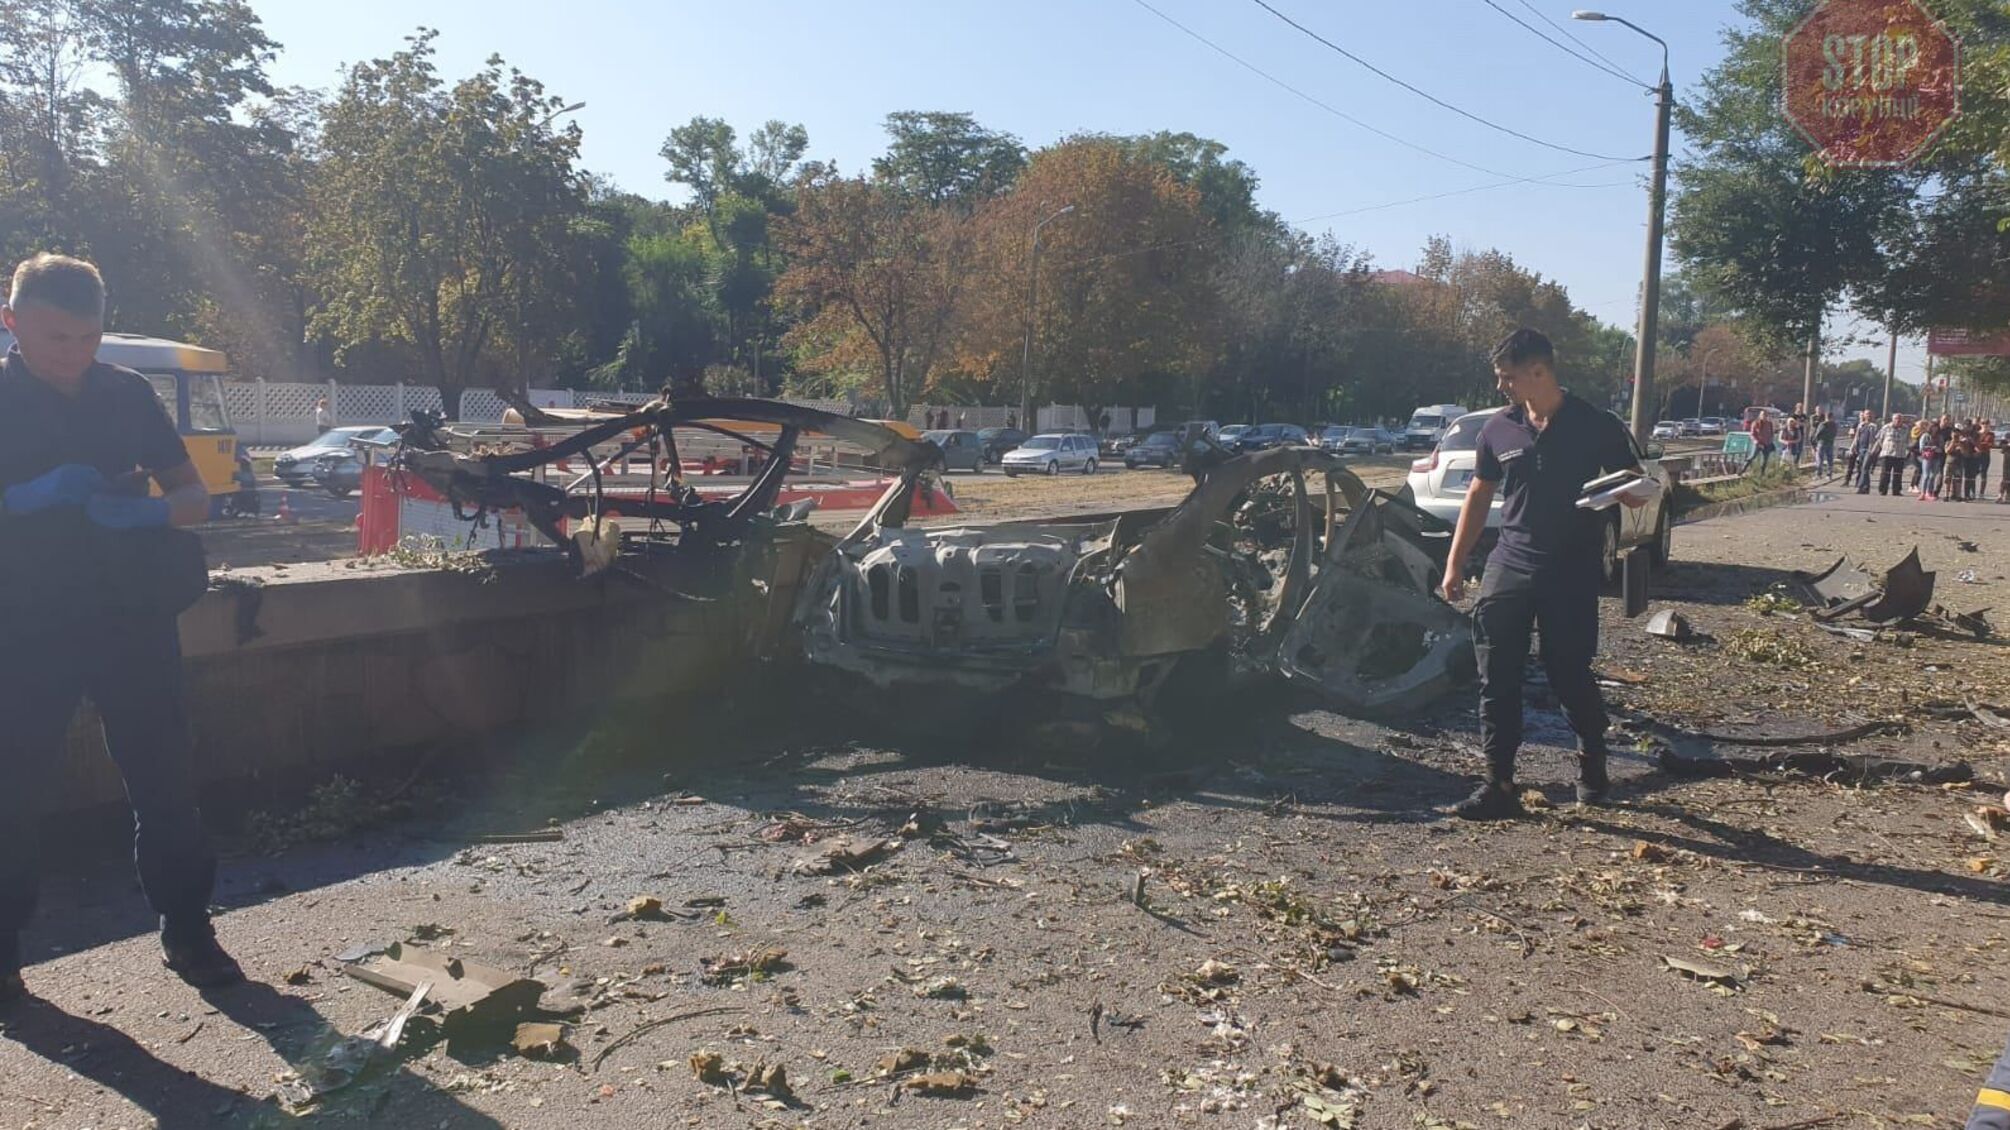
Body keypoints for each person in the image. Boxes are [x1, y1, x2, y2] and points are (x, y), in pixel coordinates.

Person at [0, 253, 244, 1007]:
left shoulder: (127, 392)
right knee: (11, 789)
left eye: (87, 338)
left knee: (164, 777)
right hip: (25, 624)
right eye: (54, 338)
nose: (73, 354)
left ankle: (187, 930)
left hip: (128, 616)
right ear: (12, 323)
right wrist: (24, 497)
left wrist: (146, 510)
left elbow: (194, 498)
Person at [1438, 328, 1646, 820]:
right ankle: (1498, 784)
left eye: (1508, 377)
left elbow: (1635, 484)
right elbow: (1479, 495)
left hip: (1570, 571)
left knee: (1568, 673)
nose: (1501, 387)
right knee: (1496, 678)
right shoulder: (1499, 429)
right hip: (1509, 564)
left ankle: (1592, 767)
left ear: (1539, 372)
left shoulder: (1596, 424)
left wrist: (1632, 493)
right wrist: (1454, 563)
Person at [1875, 413, 1910, 496]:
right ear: (1893, 419)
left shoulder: (1906, 428)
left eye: (1900, 419)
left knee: (1898, 474)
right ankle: (1883, 490)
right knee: (1885, 473)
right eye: (1896, 419)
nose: (1898, 420)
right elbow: (1879, 439)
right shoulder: (1886, 427)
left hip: (1900, 454)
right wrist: (1884, 446)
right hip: (1887, 454)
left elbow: (1908, 440)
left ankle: (1896, 491)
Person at [1848, 409, 1878, 491]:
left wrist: (1874, 450)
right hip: (1861, 449)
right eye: (1866, 414)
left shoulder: (1874, 426)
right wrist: (1852, 448)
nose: (1868, 415)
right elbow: (1856, 438)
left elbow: (1877, 439)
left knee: (1865, 467)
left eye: (1869, 414)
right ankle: (1866, 487)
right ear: (1864, 415)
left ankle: (1861, 487)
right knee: (1861, 469)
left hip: (1869, 450)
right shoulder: (1860, 425)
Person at [1813, 411, 1837, 478]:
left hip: (1822, 442)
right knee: (1830, 459)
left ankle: (1819, 474)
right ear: (1832, 417)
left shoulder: (1822, 424)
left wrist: (1816, 441)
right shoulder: (1834, 425)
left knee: (1820, 459)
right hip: (1830, 443)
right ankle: (1829, 474)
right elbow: (1835, 434)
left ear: (1826, 417)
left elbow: (1817, 434)